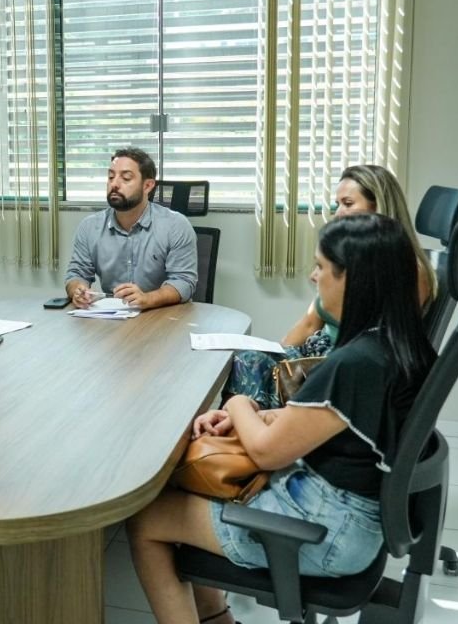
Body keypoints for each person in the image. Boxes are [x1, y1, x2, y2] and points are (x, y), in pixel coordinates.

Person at [126, 214, 437, 624]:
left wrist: (238, 406)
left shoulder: (355, 363)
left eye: (321, 267)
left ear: (355, 280)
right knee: (188, 488)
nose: (313, 277)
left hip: (325, 529)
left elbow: (265, 453)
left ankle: (215, 616)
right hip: (350, 515)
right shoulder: (399, 344)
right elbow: (321, 422)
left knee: (147, 518)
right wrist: (259, 414)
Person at [226, 164, 437, 407]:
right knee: (249, 359)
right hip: (317, 350)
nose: (338, 214)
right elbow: (309, 323)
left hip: (342, 364)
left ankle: (241, 431)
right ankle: (235, 428)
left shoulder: (409, 271)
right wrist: (278, 354)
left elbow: (380, 346)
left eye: (348, 204)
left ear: (378, 205)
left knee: (249, 367)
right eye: (338, 204)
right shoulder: (351, 259)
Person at [64, 147, 198, 311]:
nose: (114, 184)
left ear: (147, 186)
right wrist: (78, 290)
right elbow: (77, 273)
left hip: (163, 317)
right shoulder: (90, 227)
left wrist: (148, 299)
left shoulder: (175, 225)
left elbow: (183, 282)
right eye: (111, 177)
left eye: (126, 178)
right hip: (113, 319)